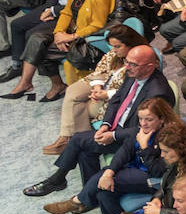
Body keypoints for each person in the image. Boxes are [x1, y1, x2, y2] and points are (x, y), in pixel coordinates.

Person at [43, 96, 172, 214]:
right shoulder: (140, 131)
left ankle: (76, 201)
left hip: (155, 179)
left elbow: (158, 171)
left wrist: (145, 148)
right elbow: (124, 152)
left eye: (149, 119)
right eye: (141, 119)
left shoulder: (169, 138)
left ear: (161, 119)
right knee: (103, 192)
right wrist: (109, 172)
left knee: (106, 179)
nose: (143, 124)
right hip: (136, 169)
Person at [4, 0, 112, 99]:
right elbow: (67, 13)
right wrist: (58, 33)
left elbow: (98, 25)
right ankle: (48, 84)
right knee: (36, 40)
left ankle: (44, 84)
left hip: (88, 39)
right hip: (74, 33)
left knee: (40, 49)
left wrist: (71, 37)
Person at [42, 22, 145, 156]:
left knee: (80, 106)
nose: (113, 50)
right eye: (112, 46)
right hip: (102, 83)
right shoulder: (115, 54)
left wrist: (106, 94)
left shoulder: (138, 61)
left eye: (117, 46)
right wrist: (97, 87)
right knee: (72, 92)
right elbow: (101, 68)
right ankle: (74, 140)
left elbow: (134, 90)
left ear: (130, 43)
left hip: (114, 98)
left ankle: (73, 140)